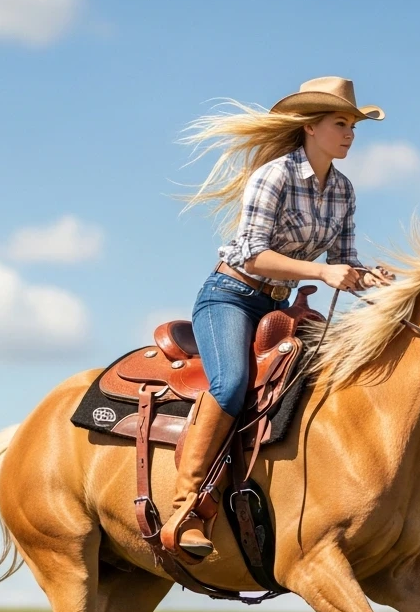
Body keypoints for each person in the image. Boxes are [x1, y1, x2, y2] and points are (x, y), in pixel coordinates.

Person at [162, 76, 391, 560]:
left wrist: (376, 279)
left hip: (282, 305)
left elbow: (344, 260)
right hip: (231, 296)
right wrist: (322, 271)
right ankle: (185, 507)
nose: (350, 134)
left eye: (354, 125)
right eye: (340, 123)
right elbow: (252, 255)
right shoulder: (274, 176)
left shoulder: (344, 191)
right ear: (310, 127)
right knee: (230, 383)